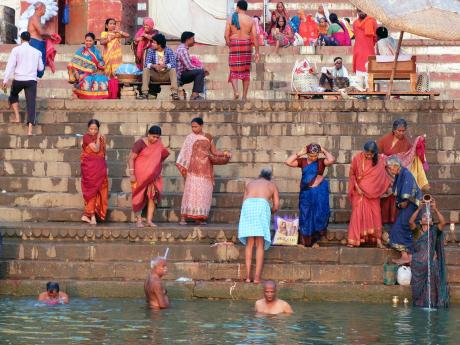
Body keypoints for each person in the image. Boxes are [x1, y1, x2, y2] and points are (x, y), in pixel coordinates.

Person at [176, 117, 231, 225]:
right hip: (193, 170)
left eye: (196, 127)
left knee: (203, 194)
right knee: (190, 193)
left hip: (206, 170)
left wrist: (225, 153)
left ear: (201, 126)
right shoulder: (189, 138)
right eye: (192, 127)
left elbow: (214, 152)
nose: (194, 129)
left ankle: (199, 218)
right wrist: (185, 170)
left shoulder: (208, 137)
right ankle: (183, 218)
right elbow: (185, 153)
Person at [377, 119, 430, 223]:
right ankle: (384, 220)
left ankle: (394, 220)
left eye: (403, 131)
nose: (401, 133)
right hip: (385, 172)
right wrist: (384, 160)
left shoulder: (405, 142)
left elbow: (410, 154)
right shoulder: (385, 139)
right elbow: (377, 152)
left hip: (396, 174)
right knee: (385, 196)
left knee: (395, 196)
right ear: (394, 130)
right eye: (399, 130)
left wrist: (419, 143)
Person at [285, 144, 335, 247]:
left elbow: (331, 160)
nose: (313, 158)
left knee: (317, 215)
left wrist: (324, 150)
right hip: (306, 194)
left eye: (315, 155)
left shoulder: (321, 162)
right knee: (305, 215)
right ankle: (304, 242)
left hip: (318, 195)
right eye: (311, 155)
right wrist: (299, 153)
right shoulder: (303, 161)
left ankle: (314, 241)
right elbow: (288, 162)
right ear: (307, 154)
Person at [238, 168, 279, 284]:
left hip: (248, 206)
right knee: (260, 244)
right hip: (262, 205)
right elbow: (276, 206)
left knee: (250, 243)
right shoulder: (272, 185)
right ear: (269, 178)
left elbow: (244, 202)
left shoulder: (250, 184)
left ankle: (247, 277)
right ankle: (256, 278)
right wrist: (270, 211)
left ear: (259, 176)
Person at [347, 141, 390, 248]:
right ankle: (355, 240)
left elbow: (382, 177)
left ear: (375, 153)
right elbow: (352, 175)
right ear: (364, 151)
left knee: (376, 215)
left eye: (371, 154)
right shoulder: (357, 158)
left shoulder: (380, 160)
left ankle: (378, 240)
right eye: (367, 154)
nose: (369, 156)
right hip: (360, 193)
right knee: (357, 215)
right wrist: (357, 188)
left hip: (374, 194)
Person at [409, 198, 449, 308]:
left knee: (434, 265)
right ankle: (419, 303)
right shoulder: (417, 232)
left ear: (431, 222)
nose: (427, 218)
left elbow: (443, 222)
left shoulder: (434, 231)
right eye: (424, 216)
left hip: (430, 264)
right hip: (418, 266)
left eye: (429, 217)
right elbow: (410, 222)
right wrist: (419, 208)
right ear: (421, 221)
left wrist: (435, 209)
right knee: (417, 292)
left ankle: (431, 303)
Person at [2, 31, 44, 136]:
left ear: (21, 39)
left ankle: (17, 117)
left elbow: (10, 66)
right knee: (31, 103)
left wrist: (5, 80)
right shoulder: (37, 52)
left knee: (13, 95)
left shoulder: (16, 50)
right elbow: (41, 68)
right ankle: (29, 130)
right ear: (30, 40)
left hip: (19, 80)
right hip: (31, 81)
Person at [128, 125, 169, 228]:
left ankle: (149, 221)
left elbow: (162, 156)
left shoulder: (159, 144)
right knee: (138, 196)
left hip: (153, 178)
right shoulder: (140, 143)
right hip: (139, 177)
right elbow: (131, 158)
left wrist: (154, 168)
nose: (155, 139)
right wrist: (132, 174)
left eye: (157, 137)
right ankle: (138, 221)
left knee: (152, 197)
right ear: (148, 134)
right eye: (153, 136)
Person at [387, 156, 422, 265]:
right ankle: (409, 256)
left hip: (411, 206)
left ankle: (405, 256)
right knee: (403, 228)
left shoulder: (406, 174)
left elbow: (407, 195)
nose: (389, 170)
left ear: (396, 166)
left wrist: (404, 201)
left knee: (399, 229)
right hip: (406, 207)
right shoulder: (399, 175)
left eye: (390, 167)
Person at [225, 0, 260, 100]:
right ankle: (244, 96)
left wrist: (229, 44)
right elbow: (255, 36)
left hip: (234, 43)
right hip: (246, 44)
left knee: (233, 69)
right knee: (246, 71)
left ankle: (236, 91)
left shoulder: (231, 18)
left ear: (238, 7)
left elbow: (226, 35)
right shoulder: (251, 20)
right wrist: (257, 52)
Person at [80, 119, 108, 225]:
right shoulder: (86, 137)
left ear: (98, 129)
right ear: (88, 129)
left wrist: (105, 166)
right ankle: (91, 216)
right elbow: (96, 149)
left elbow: (103, 153)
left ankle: (90, 215)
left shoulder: (102, 138)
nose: (93, 131)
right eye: (91, 129)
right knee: (91, 191)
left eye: (96, 129)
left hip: (100, 167)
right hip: (89, 168)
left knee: (99, 190)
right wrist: (98, 138)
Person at [67, 32, 109, 99]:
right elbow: (73, 62)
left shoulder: (96, 51)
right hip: (80, 73)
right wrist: (76, 72)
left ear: (93, 41)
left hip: (92, 73)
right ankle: (78, 91)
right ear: (84, 40)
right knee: (84, 78)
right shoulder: (81, 50)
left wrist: (99, 68)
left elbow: (101, 63)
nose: (88, 42)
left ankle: (85, 94)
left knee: (101, 79)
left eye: (90, 41)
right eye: (87, 41)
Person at [138, 33, 179, 100]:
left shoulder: (168, 51)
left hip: (165, 75)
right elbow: (146, 63)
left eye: (154, 43)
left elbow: (173, 63)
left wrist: (165, 66)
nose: (152, 44)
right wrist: (153, 65)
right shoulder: (151, 51)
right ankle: (145, 93)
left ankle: (174, 93)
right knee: (146, 69)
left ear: (159, 45)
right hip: (155, 75)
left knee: (173, 69)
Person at [176, 31, 208, 100]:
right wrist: (202, 69)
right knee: (200, 71)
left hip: (182, 74)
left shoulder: (183, 49)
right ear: (188, 40)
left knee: (200, 71)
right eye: (193, 39)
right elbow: (189, 67)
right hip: (180, 76)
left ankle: (195, 94)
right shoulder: (182, 50)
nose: (194, 41)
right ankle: (195, 95)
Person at [27, 2, 51, 78]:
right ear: (40, 8)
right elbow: (41, 32)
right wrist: (50, 36)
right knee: (35, 67)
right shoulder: (34, 18)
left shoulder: (38, 18)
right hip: (35, 44)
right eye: (45, 9)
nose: (45, 11)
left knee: (40, 68)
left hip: (39, 44)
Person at [352, 9, 377, 76]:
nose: (361, 13)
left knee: (367, 81)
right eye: (359, 11)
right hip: (361, 53)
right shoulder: (355, 23)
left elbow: (375, 38)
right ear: (357, 12)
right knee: (361, 81)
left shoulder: (372, 22)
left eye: (363, 10)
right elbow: (375, 38)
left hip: (367, 54)